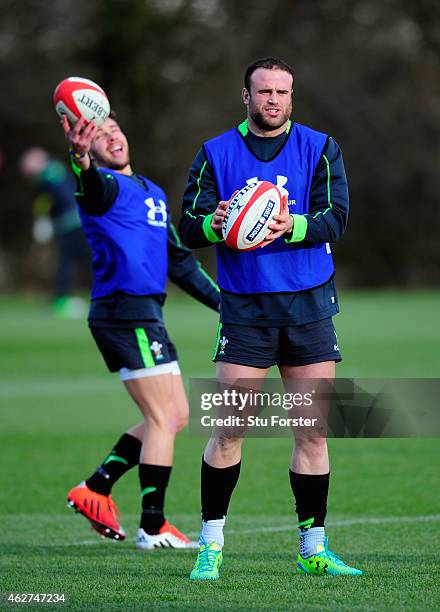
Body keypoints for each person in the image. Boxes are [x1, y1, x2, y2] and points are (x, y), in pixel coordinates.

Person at [179, 57, 363, 577]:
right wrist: (217, 225)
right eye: (264, 92)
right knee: (230, 428)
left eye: (282, 92)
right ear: (245, 95)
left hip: (309, 306)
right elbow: (188, 224)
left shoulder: (320, 147)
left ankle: (314, 550)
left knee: (312, 431)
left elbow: (338, 216)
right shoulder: (215, 152)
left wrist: (293, 224)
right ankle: (211, 546)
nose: (273, 100)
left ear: (291, 95)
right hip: (245, 311)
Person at [60, 112, 220, 549]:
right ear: (90, 150)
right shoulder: (103, 187)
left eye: (115, 129)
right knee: (162, 418)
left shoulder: (151, 192)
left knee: (176, 417)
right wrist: (79, 159)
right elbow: (90, 186)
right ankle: (153, 526)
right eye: (99, 135)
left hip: (148, 314)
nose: (111, 136)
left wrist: (229, 306)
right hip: (123, 315)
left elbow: (181, 262)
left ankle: (96, 487)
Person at [19, 148, 91, 318]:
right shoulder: (53, 172)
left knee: (72, 262)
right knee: (74, 262)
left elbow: (58, 198)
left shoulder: (50, 174)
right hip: (74, 222)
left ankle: (62, 298)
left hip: (73, 223)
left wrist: (44, 220)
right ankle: (61, 297)